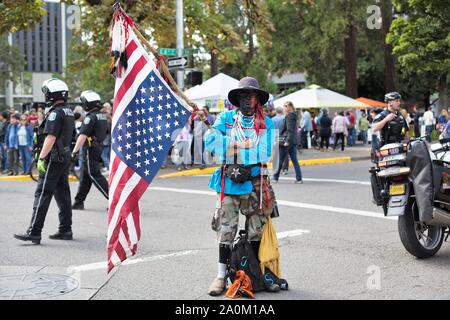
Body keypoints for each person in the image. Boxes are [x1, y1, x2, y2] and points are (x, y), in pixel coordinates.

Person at [204, 77, 276, 296]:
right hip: (230, 182)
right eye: (243, 96)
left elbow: (264, 153)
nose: (247, 100)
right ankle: (220, 276)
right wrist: (239, 144)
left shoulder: (266, 123)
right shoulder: (225, 118)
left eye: (251, 96)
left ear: (257, 100)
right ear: (237, 99)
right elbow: (210, 142)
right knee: (226, 229)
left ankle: (253, 274)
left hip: (257, 181)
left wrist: (231, 150)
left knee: (256, 229)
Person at [14, 78, 75, 244]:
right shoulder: (68, 111)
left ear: (51, 94)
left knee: (42, 193)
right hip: (63, 157)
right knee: (63, 195)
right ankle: (65, 229)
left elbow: (51, 137)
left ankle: (34, 231)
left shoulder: (56, 113)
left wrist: (41, 157)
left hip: (54, 158)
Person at [71, 90, 109, 210]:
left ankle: (114, 200)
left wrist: (74, 151)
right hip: (97, 147)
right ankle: (78, 202)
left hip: (90, 149)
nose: (83, 105)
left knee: (94, 174)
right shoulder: (102, 115)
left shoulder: (90, 118)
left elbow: (82, 136)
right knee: (85, 176)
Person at [273, 101, 303, 183]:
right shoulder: (293, 115)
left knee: (280, 160)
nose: (284, 107)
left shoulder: (289, 116)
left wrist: (287, 141)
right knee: (294, 160)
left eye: (286, 106)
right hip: (293, 141)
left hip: (288, 141)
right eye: (284, 106)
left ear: (290, 107)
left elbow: (289, 130)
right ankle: (299, 178)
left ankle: (275, 177)